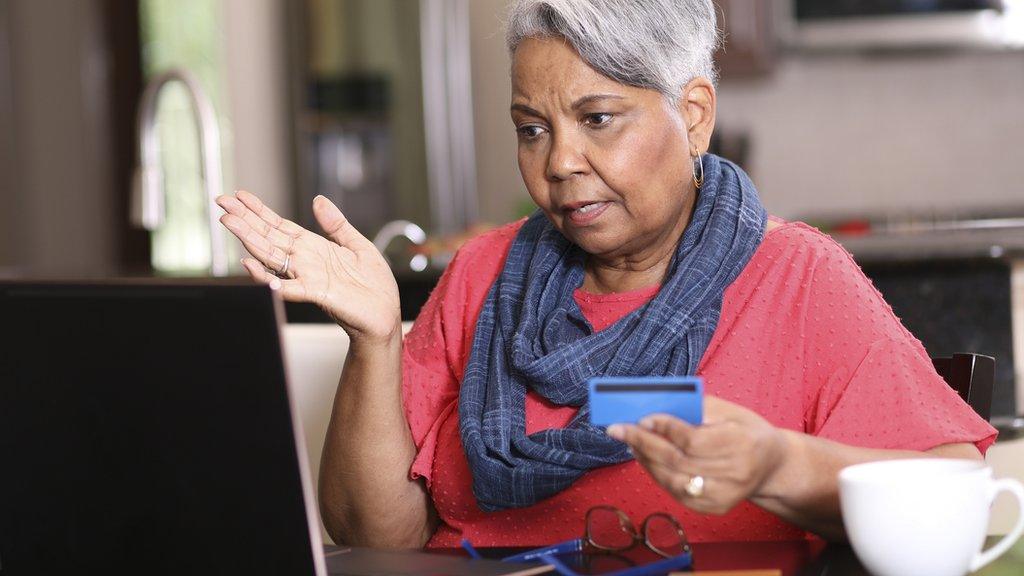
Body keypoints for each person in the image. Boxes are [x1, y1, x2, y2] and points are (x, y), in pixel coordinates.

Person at [215, 0, 996, 549]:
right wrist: (377, 342)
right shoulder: (485, 276)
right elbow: (373, 534)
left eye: (597, 120)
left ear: (692, 114)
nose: (558, 163)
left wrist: (777, 464)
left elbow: (955, 488)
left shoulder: (795, 278)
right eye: (532, 129)